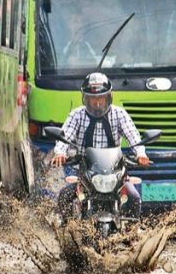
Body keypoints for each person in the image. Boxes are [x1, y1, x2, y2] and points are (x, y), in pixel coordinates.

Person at [51, 72, 151, 219]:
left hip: (115, 174)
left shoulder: (119, 114)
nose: (97, 102)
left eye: (101, 98)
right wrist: (60, 152)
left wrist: (141, 153)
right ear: (85, 98)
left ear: (108, 97)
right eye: (92, 98)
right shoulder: (76, 115)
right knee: (64, 196)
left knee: (134, 198)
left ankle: (132, 234)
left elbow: (134, 137)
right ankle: (66, 232)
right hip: (86, 174)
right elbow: (65, 136)